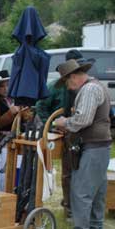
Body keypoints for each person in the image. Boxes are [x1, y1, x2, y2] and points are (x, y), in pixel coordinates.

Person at [53, 58, 111, 229]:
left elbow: (83, 120)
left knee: (81, 191)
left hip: (94, 146)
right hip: (99, 146)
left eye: (68, 82)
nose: (69, 87)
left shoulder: (89, 89)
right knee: (96, 194)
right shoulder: (94, 87)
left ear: (75, 77)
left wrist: (64, 122)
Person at [36, 49, 95, 217]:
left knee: (82, 170)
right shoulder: (55, 86)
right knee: (68, 171)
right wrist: (53, 124)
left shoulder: (88, 87)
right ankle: (69, 206)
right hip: (65, 134)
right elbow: (40, 105)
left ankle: (82, 206)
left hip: (84, 133)